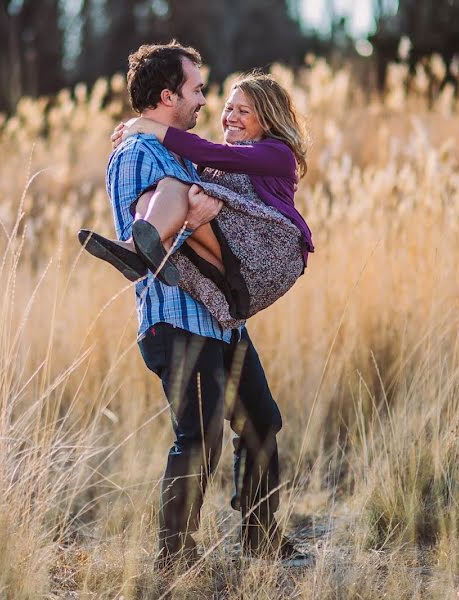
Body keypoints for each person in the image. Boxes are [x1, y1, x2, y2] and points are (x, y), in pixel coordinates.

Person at [81, 41, 308, 572]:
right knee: (199, 436)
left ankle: (262, 540)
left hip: (218, 319)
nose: (206, 101)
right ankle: (174, 559)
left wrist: (203, 210)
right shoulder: (138, 152)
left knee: (261, 424)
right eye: (197, 90)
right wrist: (189, 212)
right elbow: (143, 214)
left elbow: (216, 174)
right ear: (168, 94)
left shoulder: (176, 148)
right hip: (176, 315)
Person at [94, 72, 315, 329]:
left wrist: (147, 126)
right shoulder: (226, 162)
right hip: (235, 258)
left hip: (270, 252)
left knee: (174, 187)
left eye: (243, 111)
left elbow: (209, 152)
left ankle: (137, 249)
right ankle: (153, 253)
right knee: (151, 199)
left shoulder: (277, 153)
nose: (231, 117)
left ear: (267, 120)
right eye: (228, 108)